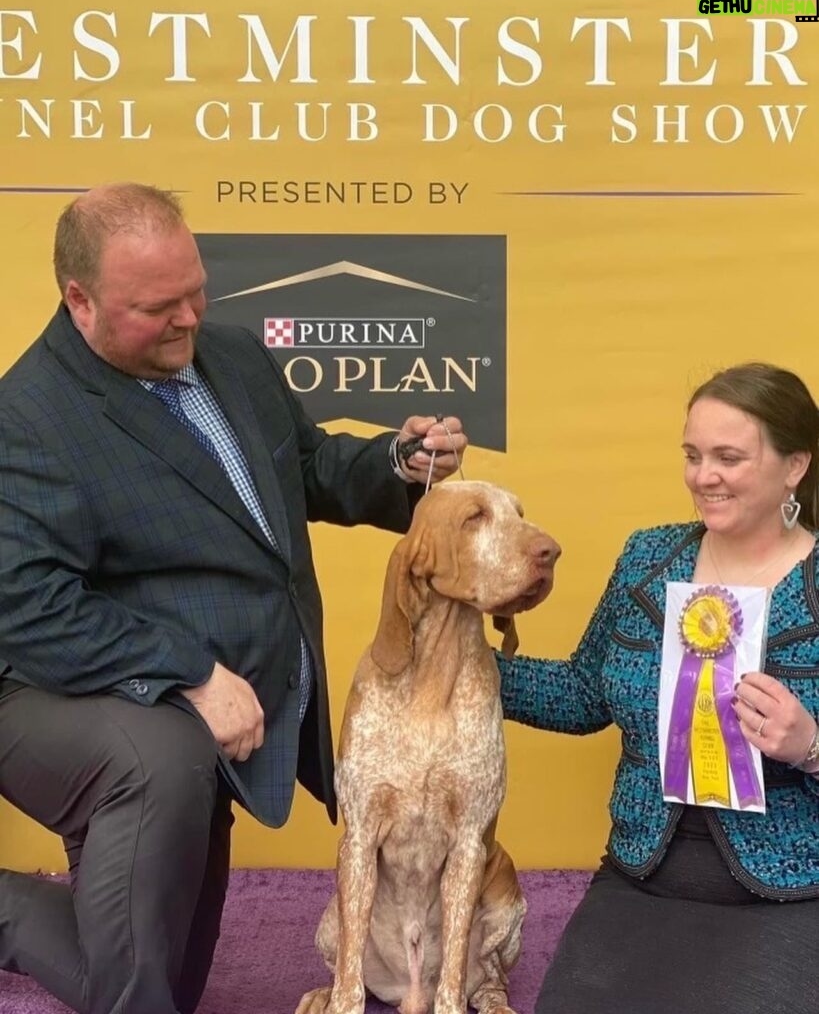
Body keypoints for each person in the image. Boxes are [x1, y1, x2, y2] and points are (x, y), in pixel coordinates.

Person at [0, 182, 467, 1014]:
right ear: (80, 300)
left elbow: (309, 469)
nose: (187, 319)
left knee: (163, 984)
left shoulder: (234, 354)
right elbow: (28, 608)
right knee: (161, 760)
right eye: (157, 307)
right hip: (51, 690)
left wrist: (395, 464)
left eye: (196, 292)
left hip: (208, 698)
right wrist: (188, 672)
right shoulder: (26, 418)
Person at [497, 362, 819, 1014]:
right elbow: (586, 694)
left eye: (728, 457)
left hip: (791, 893)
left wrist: (810, 745)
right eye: (692, 455)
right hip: (639, 881)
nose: (703, 476)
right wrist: (469, 669)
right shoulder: (647, 558)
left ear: (793, 467)